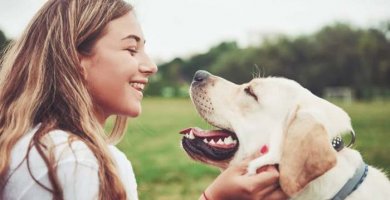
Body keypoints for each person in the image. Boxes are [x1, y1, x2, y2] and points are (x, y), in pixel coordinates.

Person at [0, 0, 287, 199]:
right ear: (76, 60)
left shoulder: (34, 144)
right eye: (130, 49)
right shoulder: (72, 159)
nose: (150, 65)